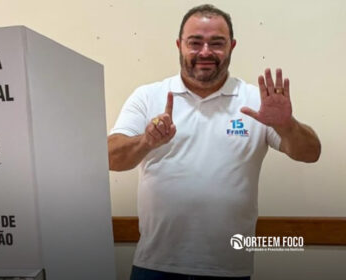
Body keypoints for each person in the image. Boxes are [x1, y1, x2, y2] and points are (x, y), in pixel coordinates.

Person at [108, 4, 321, 280]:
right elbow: (111, 157)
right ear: (179, 45)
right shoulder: (148, 96)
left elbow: (310, 153)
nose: (206, 52)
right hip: (156, 265)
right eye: (195, 42)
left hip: (229, 269)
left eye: (217, 43)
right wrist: (146, 142)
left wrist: (286, 125)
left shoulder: (256, 101)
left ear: (232, 46)